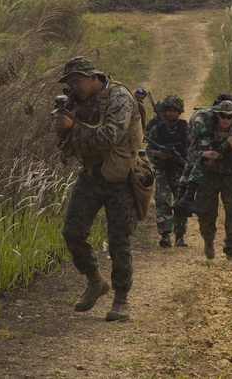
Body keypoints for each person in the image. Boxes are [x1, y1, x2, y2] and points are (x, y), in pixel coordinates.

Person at [54, 56, 143, 322]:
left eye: (77, 81)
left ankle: (121, 300)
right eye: (69, 83)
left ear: (95, 77)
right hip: (91, 175)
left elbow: (109, 137)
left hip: (121, 178)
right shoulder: (76, 100)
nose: (73, 87)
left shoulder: (120, 98)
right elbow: (65, 138)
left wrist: (73, 126)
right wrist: (62, 124)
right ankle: (95, 281)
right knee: (72, 231)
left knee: (118, 241)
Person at [173, 99, 232, 262]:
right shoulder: (205, 130)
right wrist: (205, 154)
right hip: (207, 177)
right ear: (217, 115)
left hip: (229, 177)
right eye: (222, 115)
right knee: (207, 214)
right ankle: (208, 240)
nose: (225, 119)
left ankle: (231, 250)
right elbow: (190, 155)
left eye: (229, 116)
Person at [144, 95, 190, 248]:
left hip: (180, 171)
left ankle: (180, 236)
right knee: (162, 200)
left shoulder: (185, 128)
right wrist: (158, 154)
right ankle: (165, 234)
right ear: (164, 112)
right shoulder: (158, 129)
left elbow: (193, 148)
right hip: (163, 170)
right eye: (168, 110)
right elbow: (148, 149)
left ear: (179, 112)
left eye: (174, 110)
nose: (171, 114)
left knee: (180, 202)